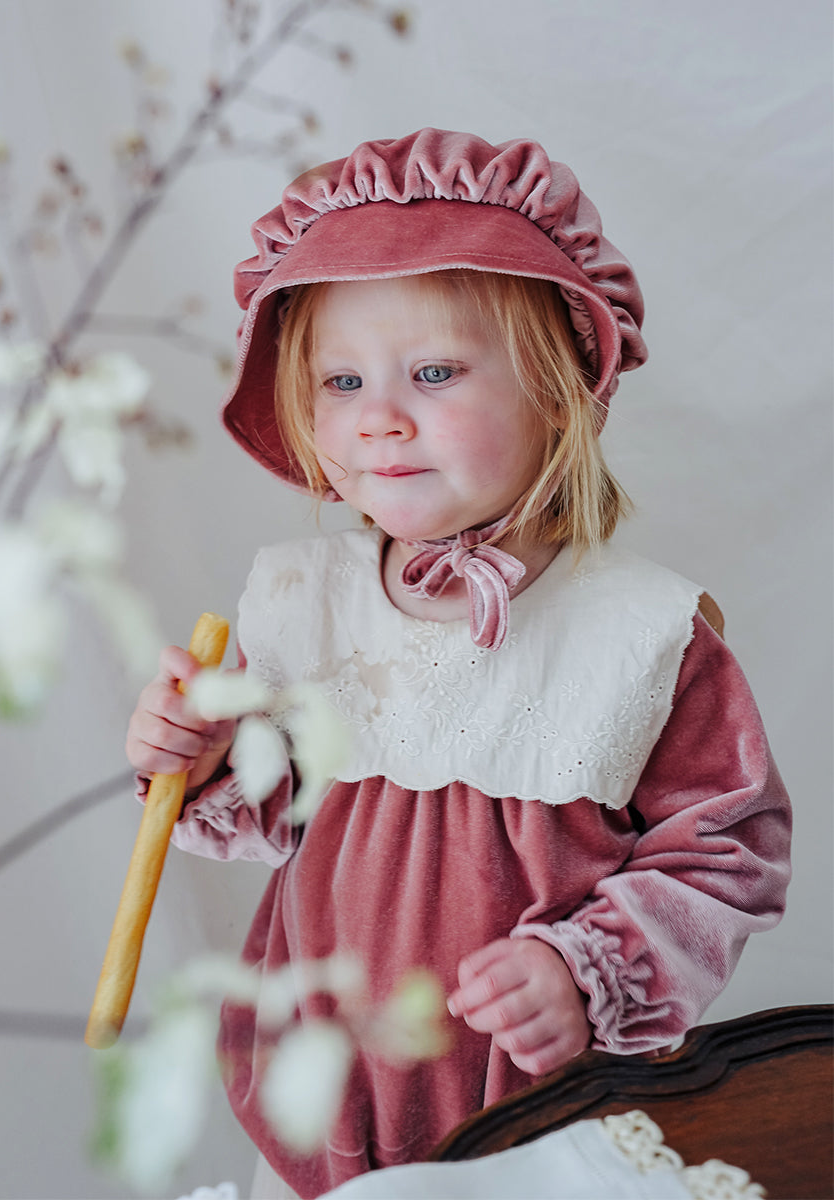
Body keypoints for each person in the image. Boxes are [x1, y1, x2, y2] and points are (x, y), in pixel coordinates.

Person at [125, 129, 791, 1199]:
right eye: (342, 380)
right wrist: (198, 757)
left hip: (542, 1111)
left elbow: (727, 852)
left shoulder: (642, 633)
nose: (380, 419)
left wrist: (584, 968)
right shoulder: (302, 602)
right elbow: (274, 806)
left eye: (434, 372)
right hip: (322, 1096)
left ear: (557, 387)